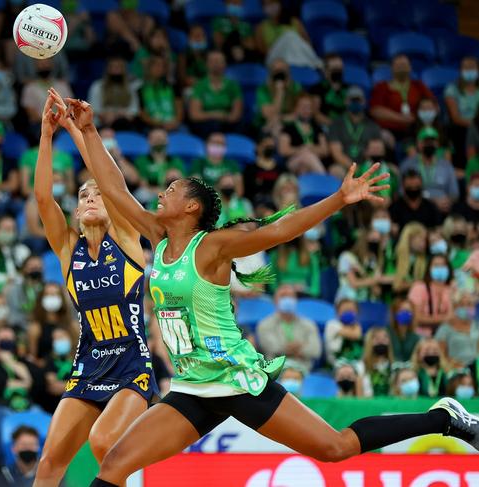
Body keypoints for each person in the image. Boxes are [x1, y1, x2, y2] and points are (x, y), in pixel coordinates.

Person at [61, 99, 479, 487]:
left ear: (192, 207)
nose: (161, 192)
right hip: (192, 387)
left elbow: (278, 231)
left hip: (236, 379)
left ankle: (442, 418)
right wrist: (90, 131)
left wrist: (338, 198)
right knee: (115, 464)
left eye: (172, 189)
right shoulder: (157, 234)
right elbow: (115, 188)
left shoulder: (212, 246)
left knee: (336, 448)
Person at [31, 92, 156, 486]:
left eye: (97, 194)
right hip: (88, 362)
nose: (91, 197)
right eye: (84, 195)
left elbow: (109, 180)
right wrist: (47, 136)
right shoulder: (68, 248)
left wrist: (78, 127)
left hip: (131, 364)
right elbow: (41, 196)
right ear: (76, 210)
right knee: (50, 460)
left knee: (104, 443)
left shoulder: (125, 237)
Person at [0, 326, 41, 475]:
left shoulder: (26, 364)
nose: (6, 345)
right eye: (2, 342)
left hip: (28, 408)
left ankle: (47, 467)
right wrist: (22, 382)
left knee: (43, 417)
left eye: (9, 342)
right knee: (4, 419)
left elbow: (37, 384)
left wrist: (12, 364)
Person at [369, 54, 435, 141]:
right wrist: (401, 118)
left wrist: (420, 117)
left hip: (416, 127)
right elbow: (375, 111)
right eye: (398, 65)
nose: (401, 68)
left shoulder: (419, 86)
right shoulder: (381, 87)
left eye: (404, 65)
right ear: (391, 68)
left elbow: (433, 104)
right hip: (389, 129)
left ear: (410, 68)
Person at [256, 285, 322, 370]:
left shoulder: (309, 324)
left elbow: (315, 351)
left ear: (296, 300)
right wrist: (300, 347)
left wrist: (288, 349)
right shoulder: (264, 325)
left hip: (304, 369)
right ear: (275, 301)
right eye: (283, 296)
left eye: (291, 296)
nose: (287, 299)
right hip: (277, 371)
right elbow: (272, 348)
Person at [400, 127, 459, 214]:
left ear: (437, 144)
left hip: (443, 208)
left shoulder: (446, 165)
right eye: (426, 142)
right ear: (418, 144)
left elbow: (454, 194)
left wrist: (447, 202)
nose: (429, 144)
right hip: (417, 208)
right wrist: (433, 201)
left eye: (432, 142)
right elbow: (401, 192)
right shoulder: (407, 165)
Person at [328, 87, 382, 176]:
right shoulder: (337, 124)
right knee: (335, 170)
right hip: (344, 166)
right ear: (345, 101)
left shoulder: (372, 125)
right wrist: (355, 169)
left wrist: (365, 167)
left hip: (367, 166)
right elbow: (336, 153)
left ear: (364, 102)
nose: (355, 103)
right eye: (352, 100)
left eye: (358, 100)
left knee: (391, 170)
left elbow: (378, 150)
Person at [188, 50, 243, 137]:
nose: (216, 64)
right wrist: (216, 115)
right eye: (213, 61)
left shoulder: (233, 86)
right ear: (206, 64)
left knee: (240, 126)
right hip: (207, 124)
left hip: (227, 123)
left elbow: (236, 114)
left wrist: (225, 117)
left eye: (219, 61)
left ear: (225, 64)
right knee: (213, 125)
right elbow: (195, 115)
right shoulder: (200, 85)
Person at [278, 94, 329, 175]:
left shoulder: (317, 128)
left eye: (308, 107)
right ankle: (324, 179)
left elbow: (325, 150)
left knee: (303, 169)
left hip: (312, 162)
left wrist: (309, 148)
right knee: (306, 155)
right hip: (293, 162)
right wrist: (301, 149)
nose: (306, 110)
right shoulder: (288, 128)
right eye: (302, 106)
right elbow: (283, 150)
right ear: (295, 108)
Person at [407, 255, 455, 337]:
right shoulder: (419, 288)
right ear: (429, 269)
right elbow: (417, 318)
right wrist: (444, 319)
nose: (440, 268)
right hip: (422, 335)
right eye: (436, 265)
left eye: (443, 265)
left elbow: (453, 317)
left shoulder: (452, 289)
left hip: (446, 336)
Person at [87, 57, 139, 131]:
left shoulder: (130, 87)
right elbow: (93, 109)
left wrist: (123, 115)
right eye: (113, 67)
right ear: (108, 69)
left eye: (119, 67)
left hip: (125, 124)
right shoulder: (97, 86)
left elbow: (134, 110)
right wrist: (106, 115)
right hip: (102, 124)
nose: (116, 71)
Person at [435, 291, 478, 369]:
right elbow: (440, 355)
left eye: (470, 304)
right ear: (455, 307)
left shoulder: (477, 326)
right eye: (462, 304)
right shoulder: (445, 329)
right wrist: (452, 366)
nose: (466, 308)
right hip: (455, 369)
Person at [311, 54, 349, 126]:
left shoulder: (349, 89)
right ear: (325, 71)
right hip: (326, 126)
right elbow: (315, 114)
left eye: (340, 69)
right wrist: (335, 125)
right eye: (335, 69)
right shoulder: (317, 89)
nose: (338, 72)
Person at [324, 299, 364, 366]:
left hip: (354, 361)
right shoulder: (332, 324)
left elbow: (358, 335)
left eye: (351, 310)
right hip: (336, 361)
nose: (348, 313)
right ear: (338, 312)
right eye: (345, 310)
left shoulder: (357, 326)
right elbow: (354, 335)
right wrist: (354, 327)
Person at [393, 222, 428, 295]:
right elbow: (396, 286)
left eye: (425, 240)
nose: (424, 244)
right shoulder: (393, 255)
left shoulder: (424, 259)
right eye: (421, 240)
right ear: (409, 238)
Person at [361, 326, 394, 397]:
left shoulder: (394, 365)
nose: (381, 341)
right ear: (370, 342)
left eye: (385, 338)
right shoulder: (362, 366)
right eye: (377, 338)